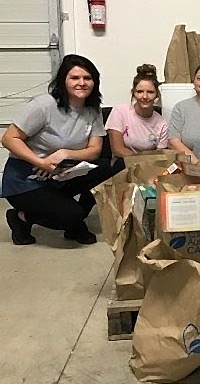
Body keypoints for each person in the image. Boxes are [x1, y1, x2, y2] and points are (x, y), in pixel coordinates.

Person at [1, 54, 114, 246]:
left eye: (87, 78)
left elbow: (95, 150)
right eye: (75, 78)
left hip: (61, 173)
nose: (82, 83)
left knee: (110, 169)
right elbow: (9, 138)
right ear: (63, 80)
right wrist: (41, 162)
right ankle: (20, 217)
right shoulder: (44, 105)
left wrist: (64, 153)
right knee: (71, 215)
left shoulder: (92, 110)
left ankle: (72, 219)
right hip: (27, 179)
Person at [105, 63, 168, 159]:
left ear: (157, 95)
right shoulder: (120, 111)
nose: (145, 97)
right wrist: (141, 160)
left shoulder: (162, 124)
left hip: (149, 166)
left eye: (150, 92)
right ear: (133, 93)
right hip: (122, 163)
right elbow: (117, 149)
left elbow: (159, 157)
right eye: (140, 92)